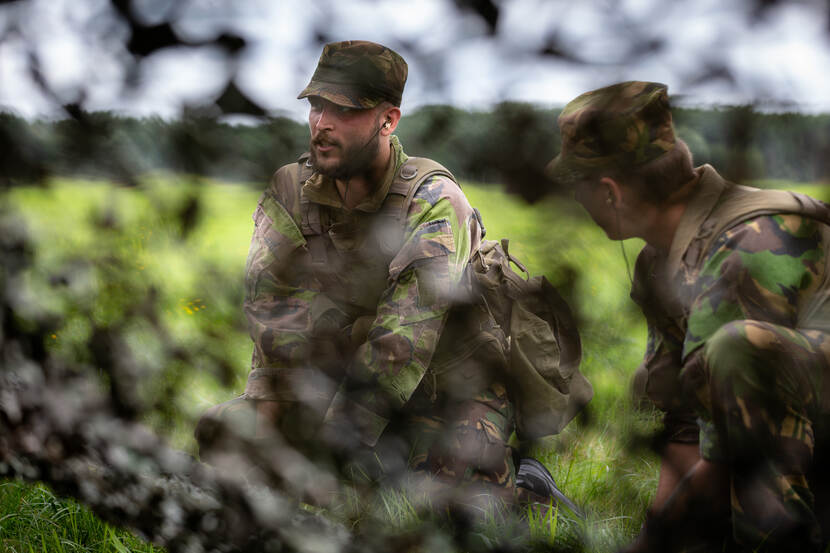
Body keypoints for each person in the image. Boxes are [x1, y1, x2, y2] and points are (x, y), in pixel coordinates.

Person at [196, 39, 569, 512]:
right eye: (316, 106)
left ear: (388, 121)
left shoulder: (433, 200)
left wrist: (331, 449)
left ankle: (528, 485)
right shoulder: (289, 191)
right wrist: (277, 421)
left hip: (449, 384)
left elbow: (404, 341)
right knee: (226, 435)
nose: (322, 123)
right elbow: (274, 320)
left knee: (438, 507)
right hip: (341, 379)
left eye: (344, 110)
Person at [547, 81, 830, 551]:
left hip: (802, 438)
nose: (576, 199)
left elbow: (722, 457)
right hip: (798, 433)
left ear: (610, 192)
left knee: (736, 350)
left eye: (578, 186)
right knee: (657, 380)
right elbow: (687, 424)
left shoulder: (749, 242)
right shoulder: (659, 262)